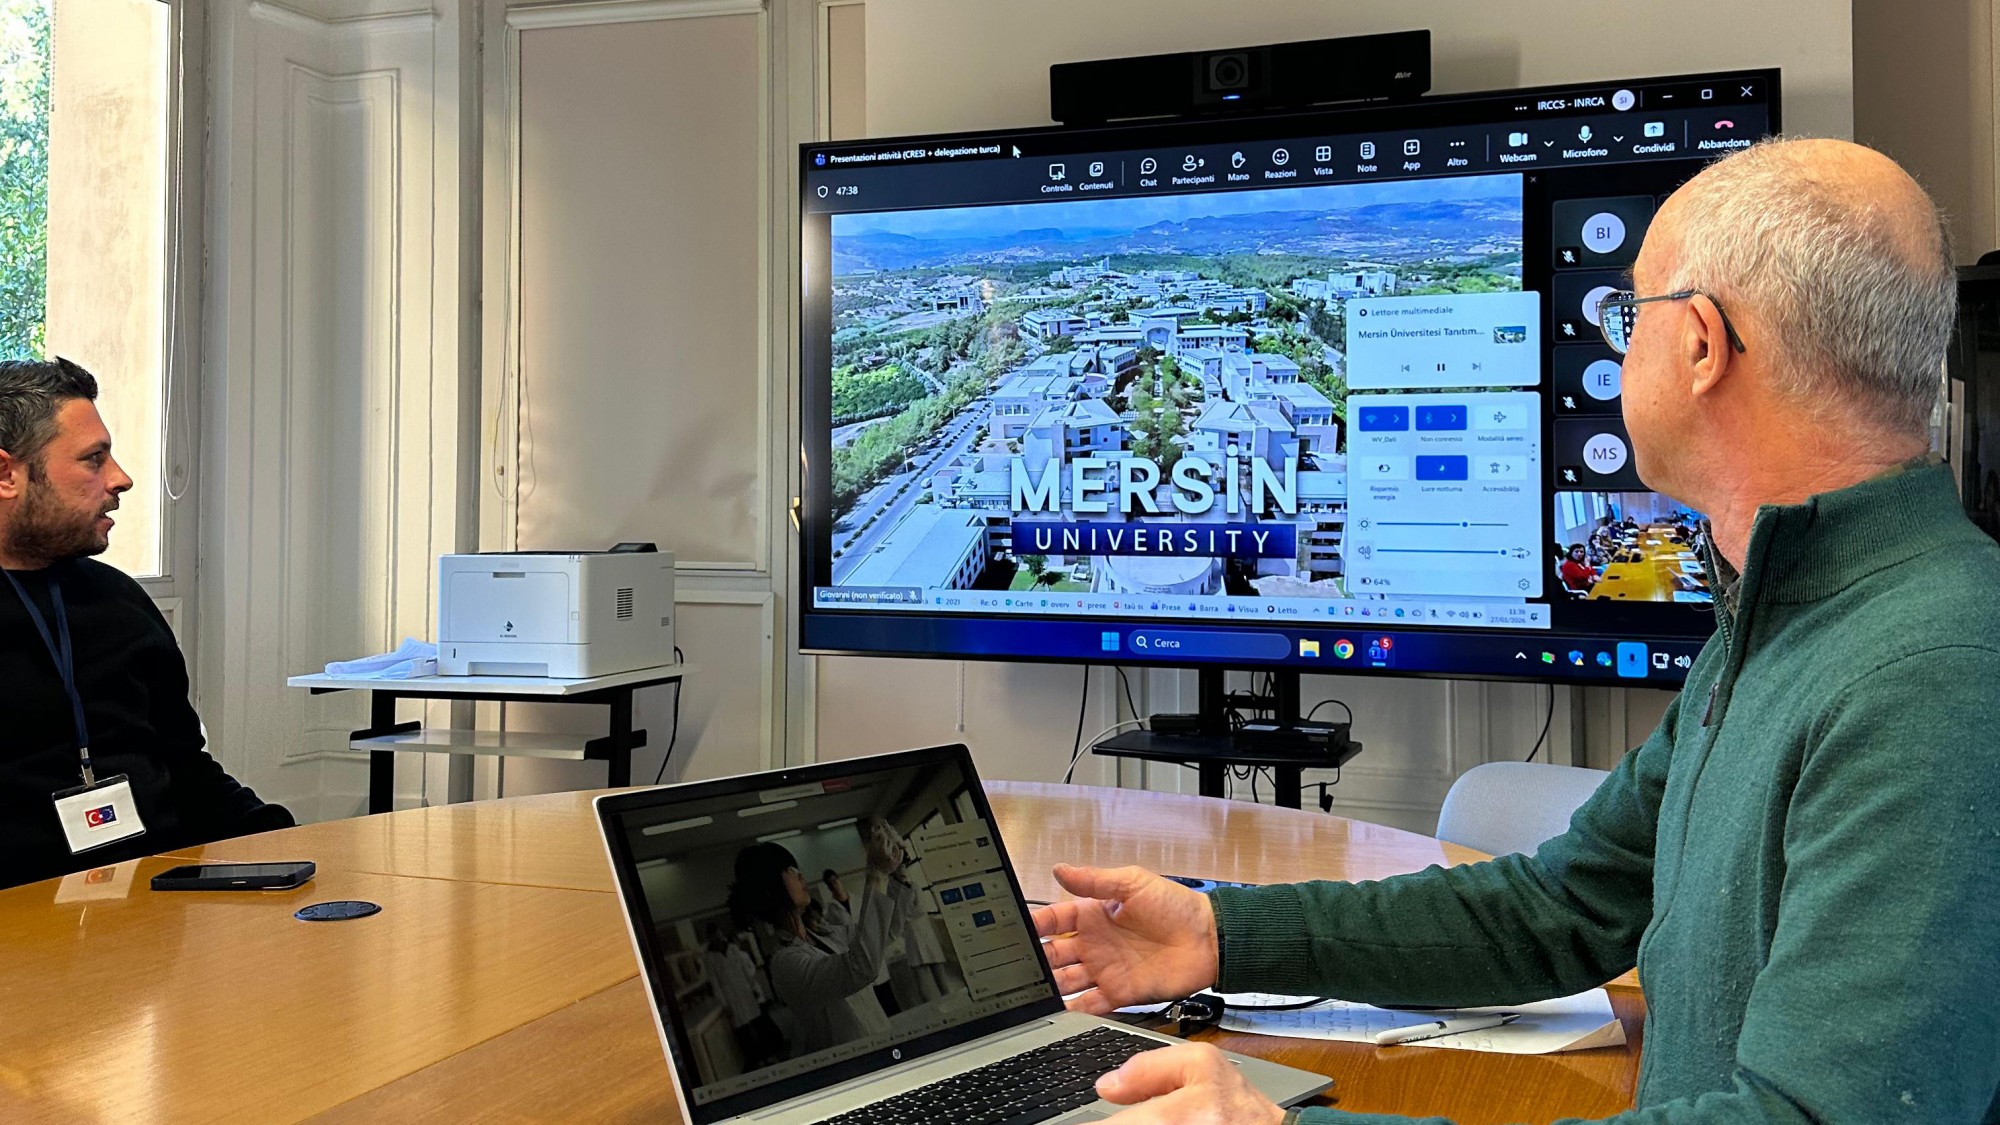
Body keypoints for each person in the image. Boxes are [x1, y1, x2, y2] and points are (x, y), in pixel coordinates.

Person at [1033, 139, 2000, 1123]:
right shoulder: (1789, 619)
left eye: (1629, 316)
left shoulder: (1933, 677)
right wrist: (1218, 933)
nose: (1617, 350)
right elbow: (1561, 907)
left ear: (1701, 345)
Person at [1, 358, 293, 890]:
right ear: (7, 475)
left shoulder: (119, 601)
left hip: (156, 900)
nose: (122, 478)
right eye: (94, 459)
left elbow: (183, 766)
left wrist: (284, 841)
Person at [726, 829, 916, 1057]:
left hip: (882, 1041)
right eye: (790, 870)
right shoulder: (785, 963)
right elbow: (861, 967)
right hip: (852, 1061)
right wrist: (874, 872)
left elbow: (888, 930)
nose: (801, 876)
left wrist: (898, 871)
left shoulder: (826, 935)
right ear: (770, 886)